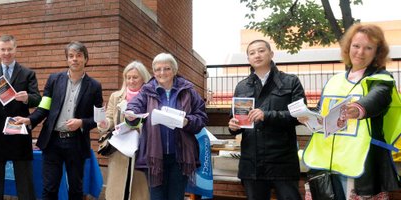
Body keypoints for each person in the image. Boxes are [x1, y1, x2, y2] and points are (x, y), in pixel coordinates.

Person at [301, 24, 400, 199]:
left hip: (359, 166)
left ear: (377, 52)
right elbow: (322, 112)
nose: (360, 52)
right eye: (356, 46)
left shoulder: (382, 79)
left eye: (368, 48)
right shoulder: (334, 80)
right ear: (348, 48)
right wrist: (309, 118)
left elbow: (377, 99)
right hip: (326, 164)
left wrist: (358, 108)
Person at [14, 41, 103, 200]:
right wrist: (29, 120)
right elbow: (43, 108)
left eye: (78, 56)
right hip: (53, 141)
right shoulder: (54, 80)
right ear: (67, 60)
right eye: (71, 56)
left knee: (76, 189)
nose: (74, 59)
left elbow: (97, 119)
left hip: (77, 143)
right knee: (49, 189)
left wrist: (81, 123)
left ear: (86, 59)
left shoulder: (95, 86)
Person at [227, 40, 305, 200]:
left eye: (261, 51)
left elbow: (300, 115)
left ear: (271, 54)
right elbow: (236, 119)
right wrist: (233, 126)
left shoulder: (290, 81)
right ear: (248, 58)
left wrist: (267, 115)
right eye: (252, 52)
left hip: (282, 160)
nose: (257, 55)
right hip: (252, 162)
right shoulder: (242, 86)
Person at [125, 53, 208, 200]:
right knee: (156, 197)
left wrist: (187, 121)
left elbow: (201, 117)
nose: (162, 73)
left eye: (166, 68)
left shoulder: (188, 91)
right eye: (157, 69)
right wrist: (131, 113)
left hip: (180, 156)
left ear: (174, 70)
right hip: (154, 156)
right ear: (153, 72)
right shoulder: (147, 90)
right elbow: (134, 106)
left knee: (176, 197)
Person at [0, 34, 41, 200]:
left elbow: (37, 99)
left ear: (15, 49)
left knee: (24, 182)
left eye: (9, 49)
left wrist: (28, 98)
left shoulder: (27, 74)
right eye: (3, 49)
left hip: (19, 133)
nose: (6, 53)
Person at [97, 61, 151, 200]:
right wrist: (104, 123)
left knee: (139, 192)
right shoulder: (116, 96)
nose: (131, 81)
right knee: (117, 191)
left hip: (142, 151)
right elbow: (109, 119)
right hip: (119, 151)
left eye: (135, 77)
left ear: (143, 78)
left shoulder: (150, 98)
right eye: (128, 77)